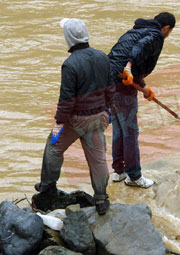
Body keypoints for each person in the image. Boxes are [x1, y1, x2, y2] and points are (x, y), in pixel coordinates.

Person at [34, 18, 113, 215]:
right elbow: (111, 89)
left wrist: (58, 122)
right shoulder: (102, 57)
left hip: (76, 120)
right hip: (99, 117)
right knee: (98, 159)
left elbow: (67, 99)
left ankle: (47, 187)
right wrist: (109, 110)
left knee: (53, 146)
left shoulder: (70, 64)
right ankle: (102, 200)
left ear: (69, 38)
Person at [108, 12, 175, 188]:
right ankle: (135, 176)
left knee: (119, 128)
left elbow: (122, 56)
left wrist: (143, 87)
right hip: (122, 83)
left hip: (109, 82)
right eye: (169, 32)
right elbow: (138, 50)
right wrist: (129, 67)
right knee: (130, 130)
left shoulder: (136, 30)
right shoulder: (155, 36)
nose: (168, 35)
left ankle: (119, 171)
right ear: (166, 28)